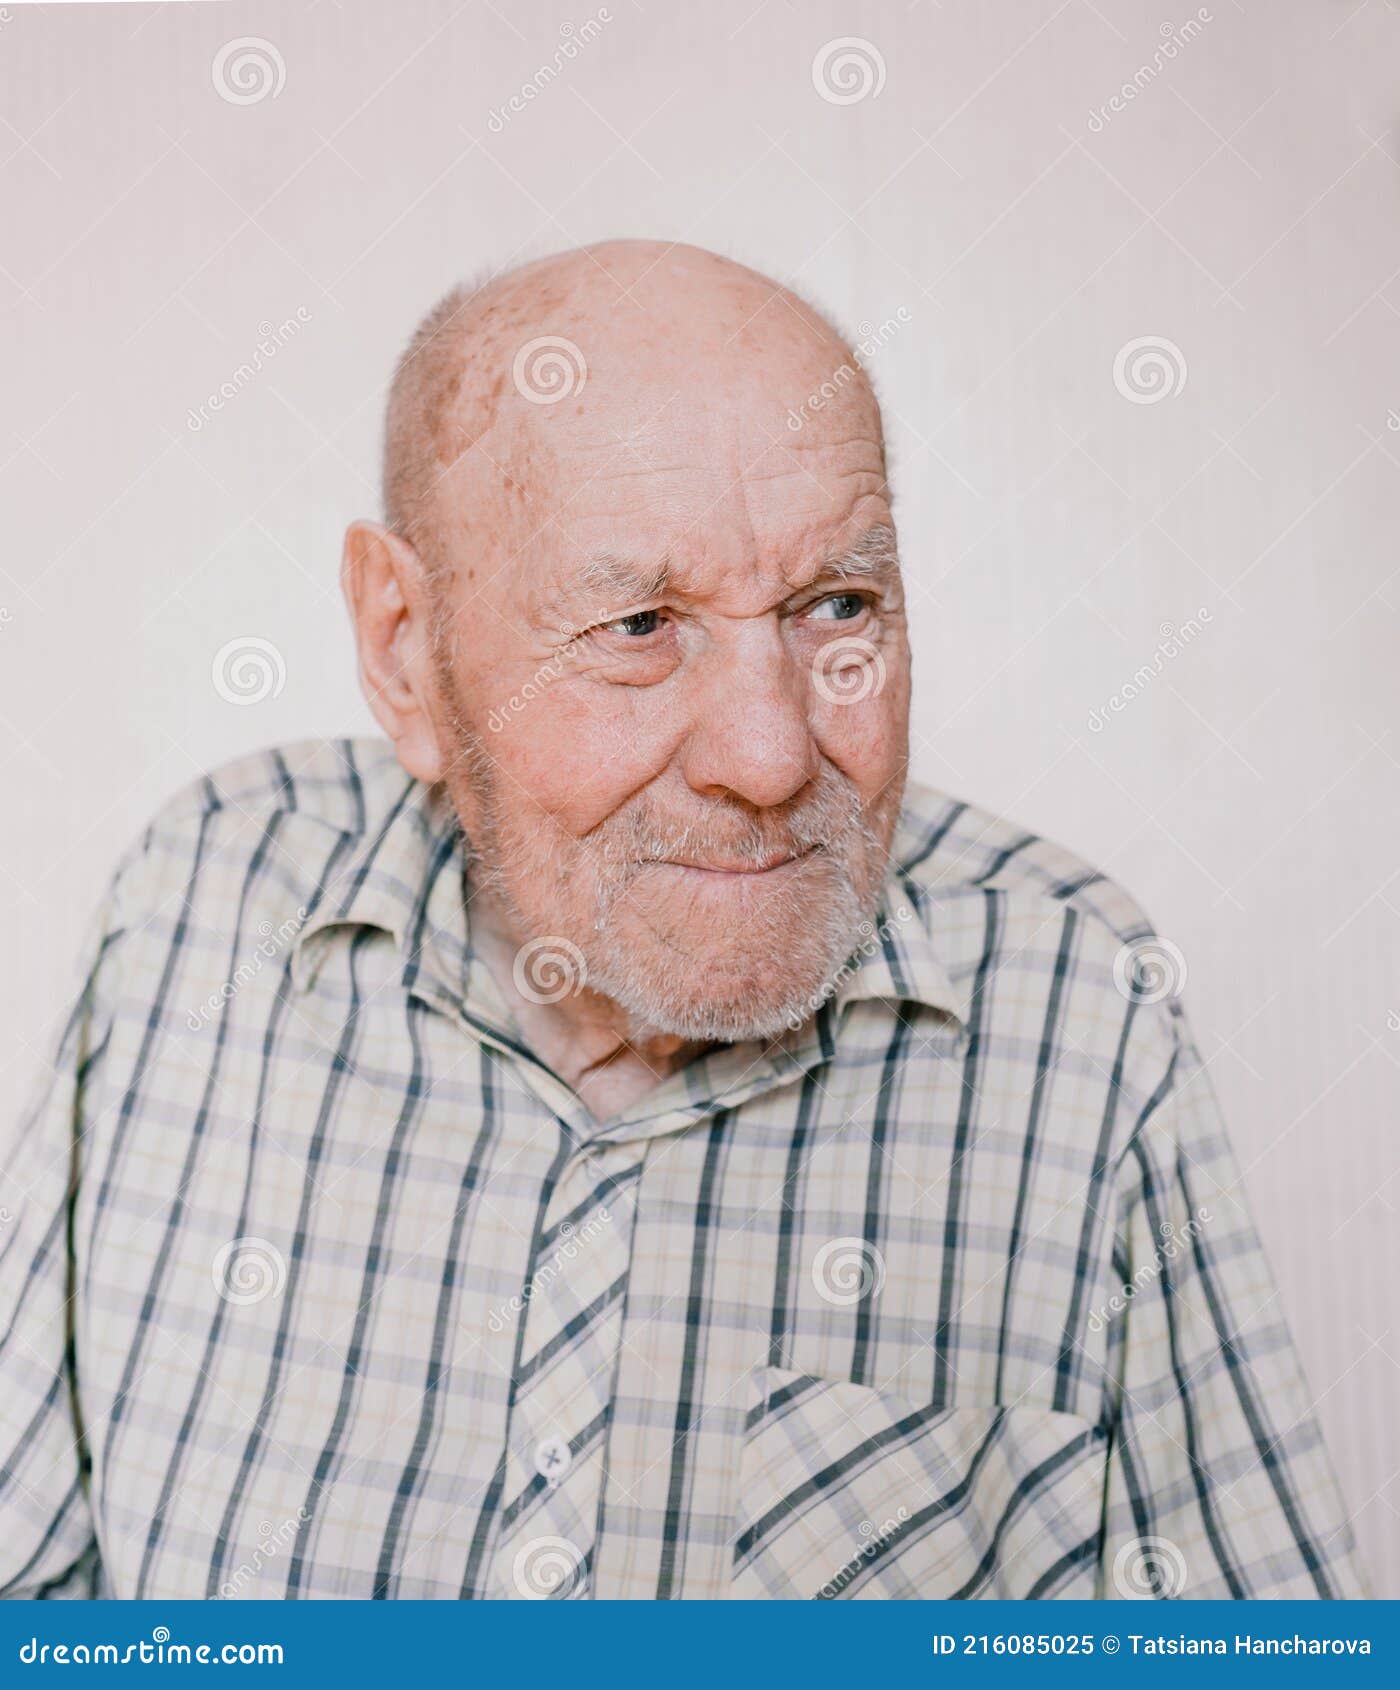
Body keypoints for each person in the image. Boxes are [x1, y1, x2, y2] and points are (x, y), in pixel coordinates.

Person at [0, 241, 1364, 1599]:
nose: (769, 759)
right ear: (404, 646)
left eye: (838, 606)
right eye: (640, 624)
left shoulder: (1074, 1002)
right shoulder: (199, 905)